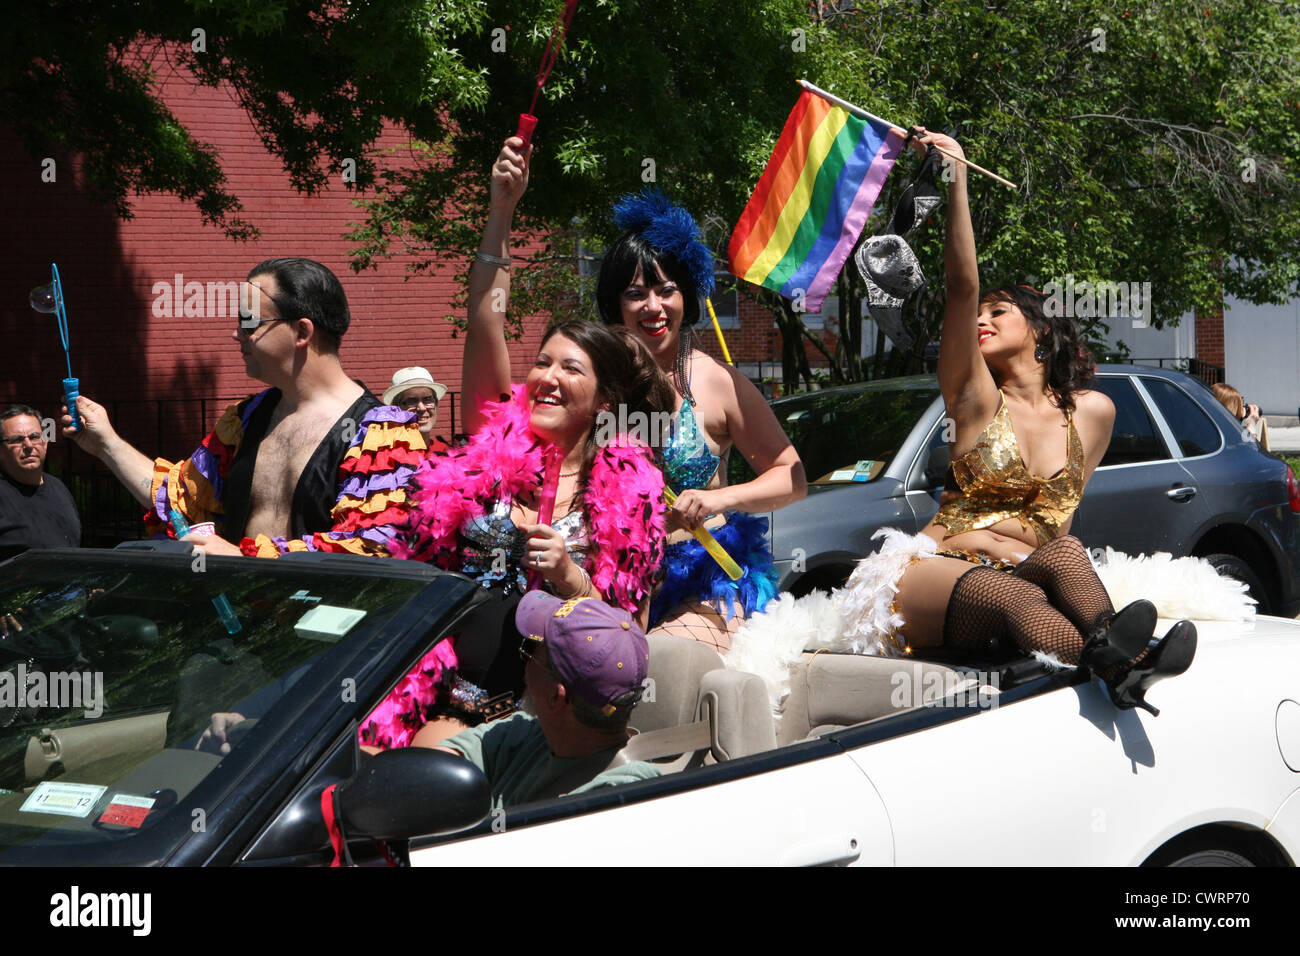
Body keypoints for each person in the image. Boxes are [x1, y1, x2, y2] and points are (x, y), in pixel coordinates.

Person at [746, 130, 1195, 716]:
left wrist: (1033, 560)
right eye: (980, 314)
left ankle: (1120, 654)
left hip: (1022, 571)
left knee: (1068, 556)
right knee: (1011, 597)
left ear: (1042, 330)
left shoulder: (1093, 412)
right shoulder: (977, 398)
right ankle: (1120, 664)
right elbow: (962, 285)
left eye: (999, 313)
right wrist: (955, 178)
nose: (981, 319)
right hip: (929, 573)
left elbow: (1056, 533)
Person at [356, 140, 675, 749]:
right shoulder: (495, 441)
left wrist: (572, 575)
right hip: (438, 681)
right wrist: (500, 212)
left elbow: (624, 640)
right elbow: (484, 318)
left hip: (545, 707)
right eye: (542, 361)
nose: (548, 377)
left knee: (417, 767)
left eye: (571, 369)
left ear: (604, 400)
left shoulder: (635, 491)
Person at [62, 258, 424, 557]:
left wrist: (242, 559)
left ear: (301, 332)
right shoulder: (244, 419)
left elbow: (374, 546)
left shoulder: (384, 435)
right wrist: (105, 443)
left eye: (249, 323)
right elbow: (180, 499)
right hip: (243, 631)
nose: (236, 334)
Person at [593, 185, 807, 652]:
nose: (653, 306)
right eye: (636, 293)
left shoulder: (718, 382)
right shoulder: (594, 388)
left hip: (706, 583)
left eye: (666, 289)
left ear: (686, 295)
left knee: (664, 668)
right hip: (613, 585)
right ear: (616, 305)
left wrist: (719, 499)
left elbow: (792, 480)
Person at [410, 591, 661, 808]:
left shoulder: (617, 800)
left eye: (529, 650)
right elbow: (429, 771)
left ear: (556, 696)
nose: (523, 663)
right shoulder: (533, 734)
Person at [0, 404, 81, 561]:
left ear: (45, 443)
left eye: (35, 437)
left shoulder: (58, 487)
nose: (28, 445)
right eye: (16, 440)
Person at [384, 366, 451, 452]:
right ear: (397, 408)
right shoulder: (387, 456)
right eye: (411, 401)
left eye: (427, 399)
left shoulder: (445, 451)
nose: (422, 408)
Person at [1212, 383, 1269, 451]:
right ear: (1230, 410)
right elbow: (1248, 452)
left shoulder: (1207, 424)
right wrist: (1251, 426)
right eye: (1239, 406)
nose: (1242, 411)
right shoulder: (1222, 437)